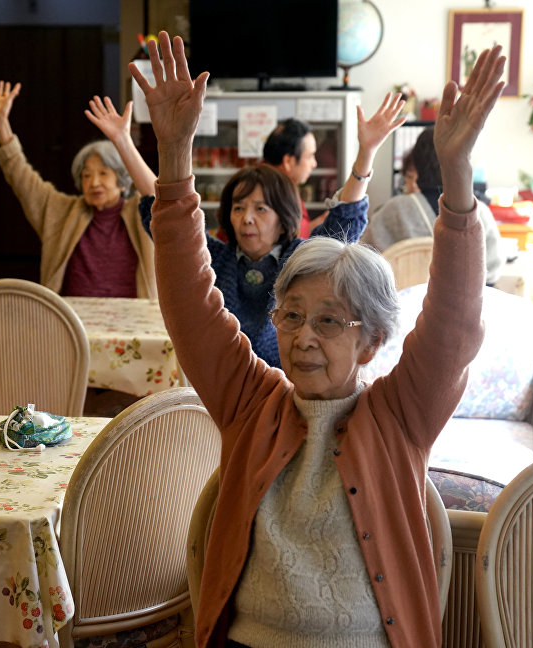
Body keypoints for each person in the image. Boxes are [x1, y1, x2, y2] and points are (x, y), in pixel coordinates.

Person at [132, 30, 504, 647]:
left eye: (329, 320)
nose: (303, 336)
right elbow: (190, 304)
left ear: (371, 341)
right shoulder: (251, 403)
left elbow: (454, 327)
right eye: (290, 315)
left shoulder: (400, 417)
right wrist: (174, 156)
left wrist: (456, 178)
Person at [89, 94, 405, 367]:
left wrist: (367, 152)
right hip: (225, 386)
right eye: (238, 208)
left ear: (283, 218)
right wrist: (123, 141)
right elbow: (168, 218)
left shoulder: (301, 258)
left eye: (260, 209)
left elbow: (345, 221)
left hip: (290, 384)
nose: (247, 219)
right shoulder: (216, 257)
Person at [0, 82, 155, 298]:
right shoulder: (61, 211)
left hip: (133, 319)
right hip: (72, 319)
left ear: (123, 182)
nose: (94, 182)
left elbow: (160, 197)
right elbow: (20, 175)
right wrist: (1, 123)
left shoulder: (141, 213)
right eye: (86, 175)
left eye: (103, 173)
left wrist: (123, 140)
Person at [361, 127, 505, 284]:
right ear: (464, 161)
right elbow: (492, 274)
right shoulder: (479, 212)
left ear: (417, 164)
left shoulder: (393, 210)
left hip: (400, 306)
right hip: (467, 307)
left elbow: (364, 263)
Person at [263, 118, 321, 236]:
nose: (314, 164)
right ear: (288, 161)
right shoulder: (267, 194)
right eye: (310, 156)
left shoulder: (284, 188)